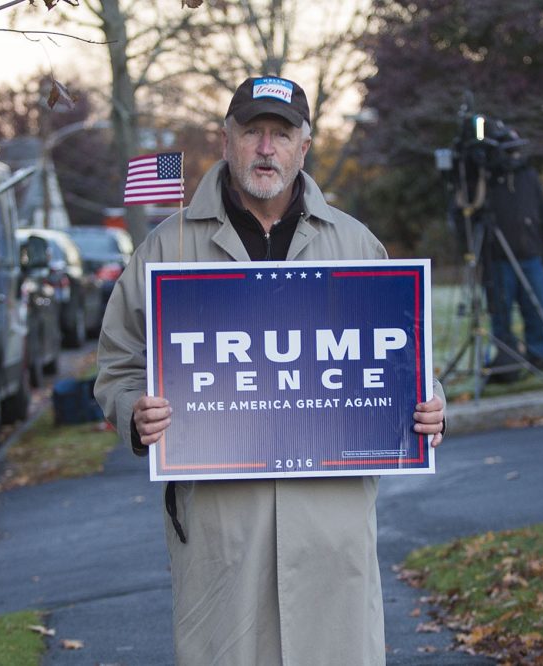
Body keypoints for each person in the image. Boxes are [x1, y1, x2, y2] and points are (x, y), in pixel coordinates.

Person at [94, 76, 446, 665]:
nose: (265, 148)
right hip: (222, 531)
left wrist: (432, 402)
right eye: (251, 131)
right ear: (226, 140)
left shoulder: (356, 244)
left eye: (280, 134)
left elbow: (406, 362)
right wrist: (133, 411)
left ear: (303, 147)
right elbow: (118, 364)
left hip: (330, 530)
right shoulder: (168, 247)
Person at [484, 135, 543, 376]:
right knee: (501, 313)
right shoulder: (488, 179)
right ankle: (508, 360)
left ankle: (538, 355)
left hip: (531, 254)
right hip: (499, 258)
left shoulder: (528, 176)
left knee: (536, 308)